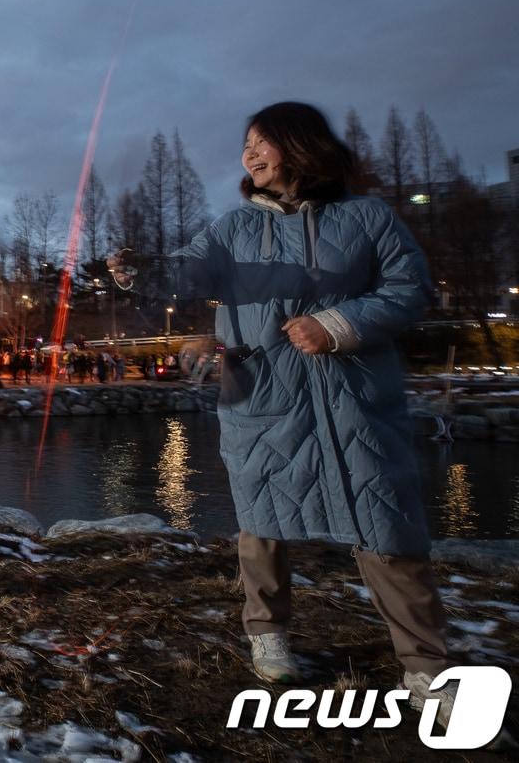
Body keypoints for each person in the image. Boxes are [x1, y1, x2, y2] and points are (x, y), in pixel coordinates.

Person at [108, 101, 456, 725]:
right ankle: (267, 634)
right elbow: (188, 275)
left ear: (300, 145)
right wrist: (139, 273)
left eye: (261, 141)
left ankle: (426, 668)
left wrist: (339, 324)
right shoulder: (233, 227)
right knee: (261, 521)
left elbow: (409, 289)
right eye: (246, 143)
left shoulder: (369, 217)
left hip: (355, 397)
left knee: (387, 522)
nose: (249, 154)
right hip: (263, 397)